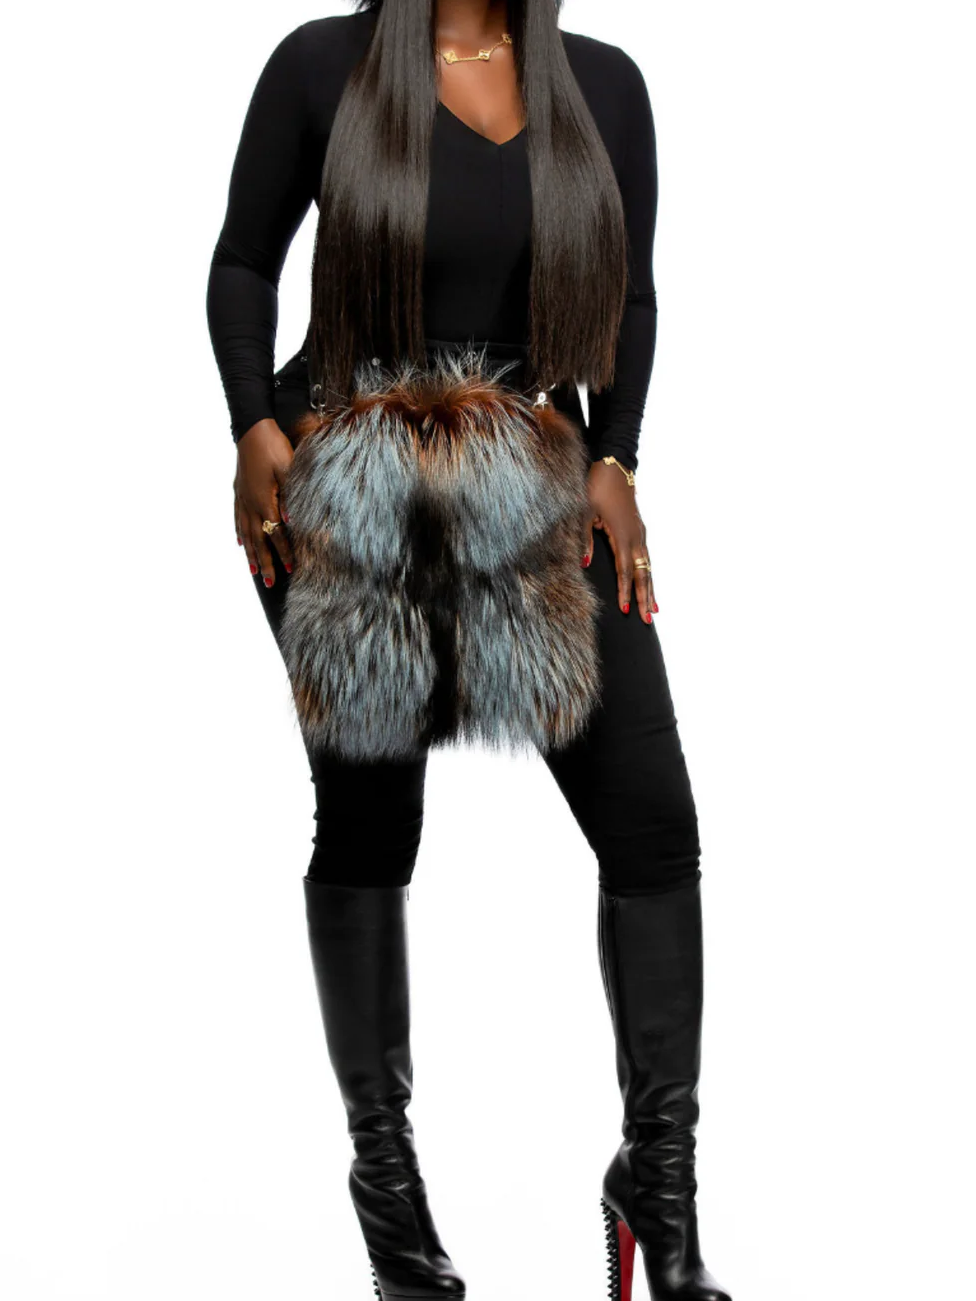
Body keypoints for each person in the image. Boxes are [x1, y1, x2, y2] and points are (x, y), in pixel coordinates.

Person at [206, 3, 731, 1299]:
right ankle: (392, 1208)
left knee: (653, 827)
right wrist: (252, 428)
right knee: (372, 822)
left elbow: (634, 293)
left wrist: (616, 458)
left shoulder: (603, 85)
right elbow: (241, 263)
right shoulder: (323, 66)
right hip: (343, 470)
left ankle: (660, 1191)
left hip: (530, 470)